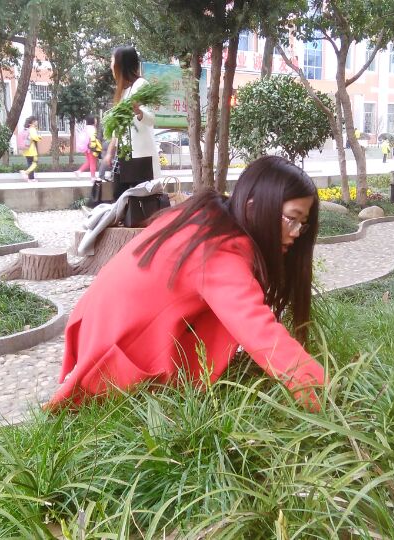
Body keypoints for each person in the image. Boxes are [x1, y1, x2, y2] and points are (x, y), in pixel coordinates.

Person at [47, 155, 326, 410]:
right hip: (112, 359)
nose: (296, 233)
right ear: (254, 207)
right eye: (292, 219)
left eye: (302, 224)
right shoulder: (219, 251)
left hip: (101, 328)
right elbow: (259, 330)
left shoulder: (206, 217)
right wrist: (323, 394)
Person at [103, 45, 160, 200]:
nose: (111, 65)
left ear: (121, 64)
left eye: (112, 61)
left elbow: (151, 118)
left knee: (140, 203)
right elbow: (118, 126)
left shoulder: (141, 85)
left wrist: (138, 111)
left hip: (140, 159)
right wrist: (110, 151)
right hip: (125, 156)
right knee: (120, 200)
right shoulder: (123, 91)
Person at [20, 116, 42, 181]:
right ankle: (26, 173)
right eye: (36, 121)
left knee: (30, 163)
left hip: (26, 150)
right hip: (32, 150)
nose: (37, 122)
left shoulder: (27, 129)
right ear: (33, 122)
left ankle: (31, 177)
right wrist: (40, 137)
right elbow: (35, 137)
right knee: (35, 163)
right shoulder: (32, 129)